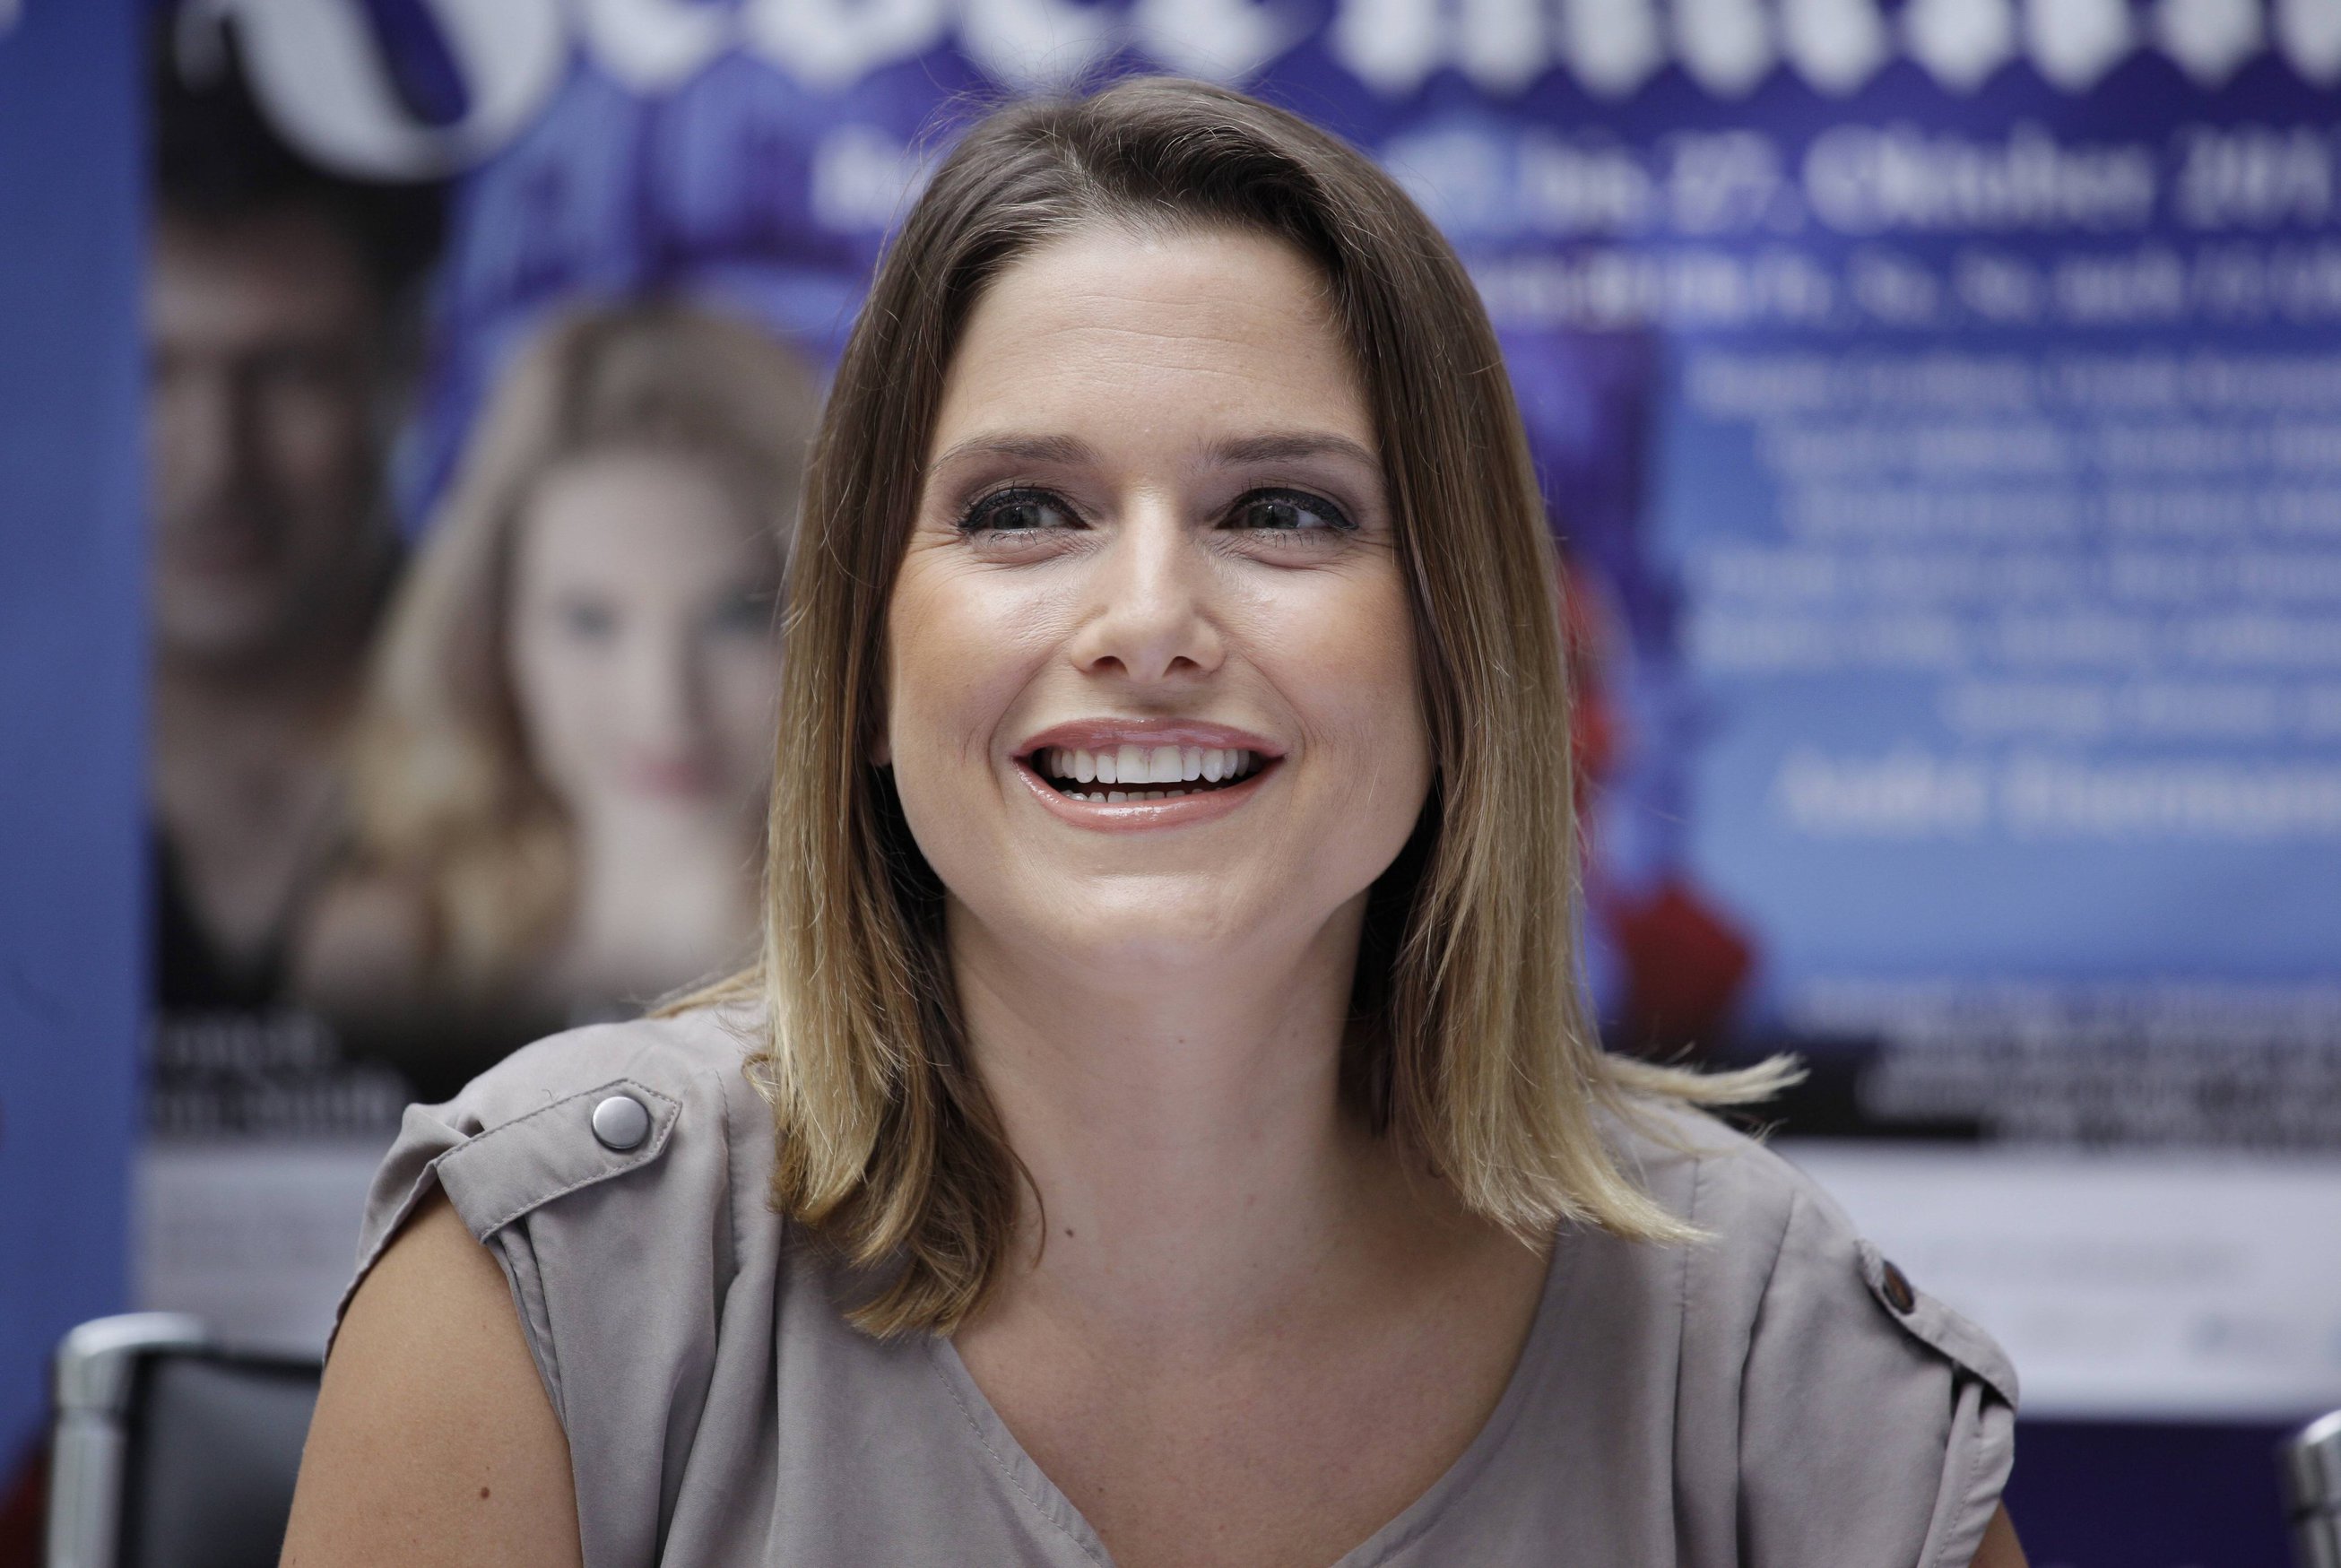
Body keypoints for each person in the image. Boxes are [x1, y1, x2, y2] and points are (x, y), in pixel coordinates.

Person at [284, 79, 2025, 1566]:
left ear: (1464, 646)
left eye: (1279, 509)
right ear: (870, 654)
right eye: (1022, 508)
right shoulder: (551, 1281)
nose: (1145, 618)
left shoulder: (1756, 1346)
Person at [293, 303, 818, 1096]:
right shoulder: (394, 960)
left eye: (733, 616)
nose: (663, 704)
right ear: (493, 631)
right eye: (590, 621)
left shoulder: (934, 965)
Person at [147, 30, 439, 1016]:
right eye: (148, 375)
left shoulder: (566, 715)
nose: (214, 462)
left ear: (405, 373)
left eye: (288, 371)